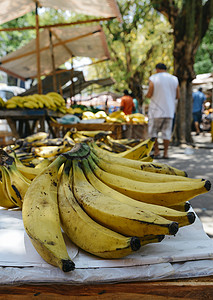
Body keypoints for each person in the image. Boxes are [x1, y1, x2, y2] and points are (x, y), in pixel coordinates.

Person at [146, 63, 180, 159]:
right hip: (169, 111)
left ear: (157, 69)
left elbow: (149, 94)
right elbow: (178, 95)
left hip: (155, 111)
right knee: (167, 132)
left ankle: (157, 151)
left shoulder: (153, 78)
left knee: (153, 132)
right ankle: (166, 153)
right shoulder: (174, 79)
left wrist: (146, 95)